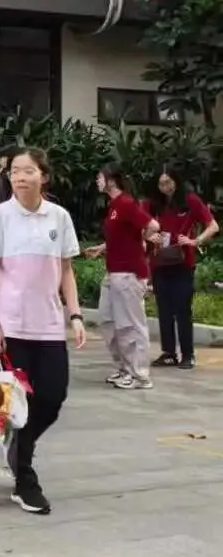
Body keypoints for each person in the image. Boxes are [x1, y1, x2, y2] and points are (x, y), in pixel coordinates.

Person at [0, 148, 85, 517]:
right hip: (11, 327)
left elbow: (67, 271)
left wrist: (75, 315)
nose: (20, 177)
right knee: (14, 405)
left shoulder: (59, 217)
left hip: (50, 326)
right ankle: (25, 478)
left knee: (54, 397)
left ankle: (19, 447)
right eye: (15, 171)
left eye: (28, 171)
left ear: (44, 176)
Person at [85, 164, 158, 390]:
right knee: (108, 321)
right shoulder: (114, 206)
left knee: (131, 325)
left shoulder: (126, 203)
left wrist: (142, 241)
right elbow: (122, 236)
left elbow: (152, 225)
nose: (97, 181)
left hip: (129, 273)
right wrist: (103, 247)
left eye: (100, 177)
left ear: (111, 180)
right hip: (114, 272)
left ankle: (140, 375)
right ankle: (125, 368)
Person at [147, 166, 219, 370]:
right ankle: (168, 352)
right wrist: (148, 235)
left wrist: (195, 241)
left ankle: (188, 354)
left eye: (168, 182)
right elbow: (139, 223)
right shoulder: (154, 204)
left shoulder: (189, 201)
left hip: (182, 264)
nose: (165, 187)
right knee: (164, 310)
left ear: (176, 181)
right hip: (160, 262)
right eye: (161, 184)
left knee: (182, 309)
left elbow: (213, 226)